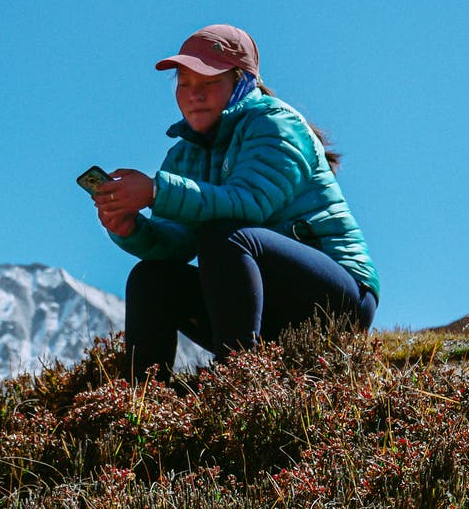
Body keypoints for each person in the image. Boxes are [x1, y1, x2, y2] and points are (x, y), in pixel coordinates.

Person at [92, 24, 378, 379]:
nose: (194, 94)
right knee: (150, 277)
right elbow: (178, 243)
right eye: (184, 84)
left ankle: (236, 384)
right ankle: (143, 403)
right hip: (262, 307)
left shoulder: (275, 124)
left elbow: (250, 204)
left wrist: (155, 192)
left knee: (226, 235)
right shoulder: (184, 154)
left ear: (241, 81)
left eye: (208, 83)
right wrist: (132, 228)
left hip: (338, 301)